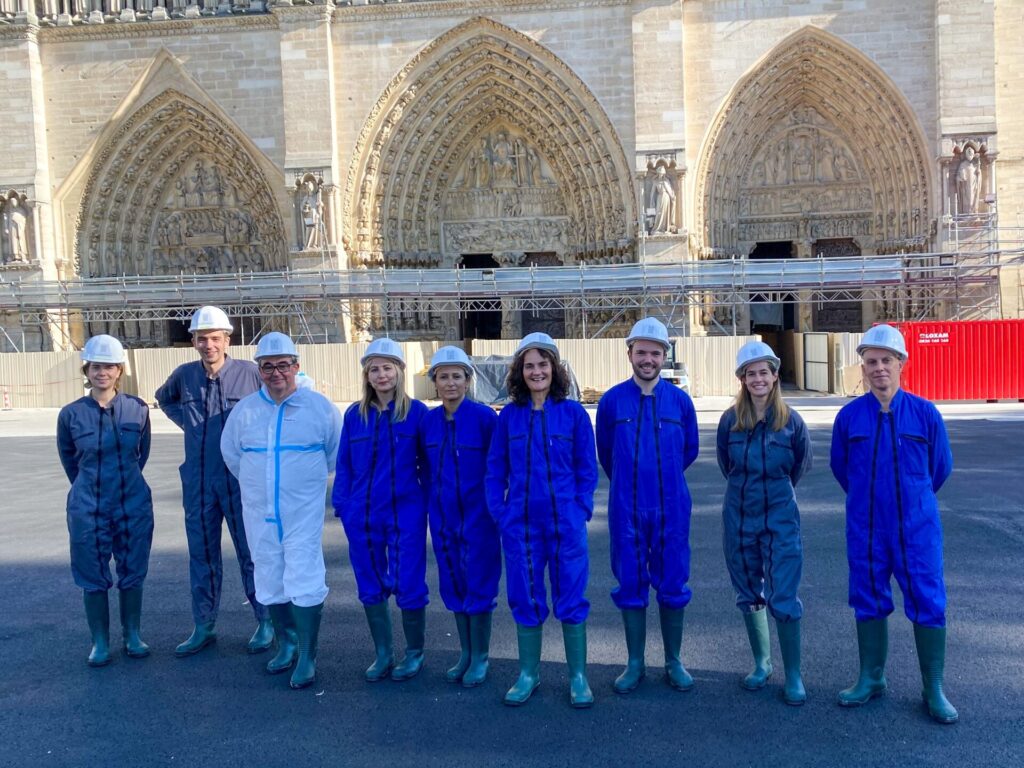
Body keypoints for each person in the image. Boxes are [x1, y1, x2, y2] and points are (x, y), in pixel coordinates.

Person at [831, 324, 957, 724]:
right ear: (863, 367)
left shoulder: (924, 413)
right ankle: (871, 678)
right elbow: (841, 469)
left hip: (917, 528)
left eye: (887, 360)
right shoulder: (849, 417)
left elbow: (940, 468)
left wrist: (913, 501)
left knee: (928, 600)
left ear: (901, 363)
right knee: (867, 598)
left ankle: (933, 687)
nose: (879, 368)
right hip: (867, 528)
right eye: (871, 362)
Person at [221, 333, 342, 689]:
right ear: (259, 370)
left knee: (304, 575)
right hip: (259, 512)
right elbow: (233, 456)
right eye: (268, 366)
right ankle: (286, 643)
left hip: (301, 512)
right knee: (269, 574)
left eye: (283, 365)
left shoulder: (319, 409)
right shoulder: (246, 411)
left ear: (296, 367)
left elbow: (335, 455)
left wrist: (301, 484)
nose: (276, 373)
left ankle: (307, 654)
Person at [485, 333, 599, 708]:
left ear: (555, 368)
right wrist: (501, 514)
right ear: (520, 372)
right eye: (529, 366)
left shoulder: (574, 414)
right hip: (521, 525)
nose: (537, 372)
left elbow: (587, 468)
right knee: (525, 595)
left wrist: (580, 508)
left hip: (566, 523)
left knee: (571, 595)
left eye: (543, 364)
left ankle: (578, 677)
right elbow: (495, 470)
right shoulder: (509, 417)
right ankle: (528, 674)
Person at [155, 306, 272, 657]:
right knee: (202, 555)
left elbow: (272, 405)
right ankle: (203, 624)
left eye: (215, 339)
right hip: (199, 478)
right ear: (193, 341)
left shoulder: (250, 374)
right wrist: (190, 426)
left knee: (251, 551)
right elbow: (164, 399)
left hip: (239, 479)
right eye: (202, 339)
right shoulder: (184, 375)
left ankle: (265, 620)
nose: (209, 345)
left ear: (227, 339)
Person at [596, 318, 699, 695]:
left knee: (673, 581)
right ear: (629, 354)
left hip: (672, 506)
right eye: (641, 352)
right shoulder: (611, 402)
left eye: (655, 353)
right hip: (627, 507)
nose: (648, 359)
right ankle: (635, 662)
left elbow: (689, 451)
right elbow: (606, 453)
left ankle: (673, 661)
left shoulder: (680, 401)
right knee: (630, 582)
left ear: (664, 357)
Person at [716, 341, 812, 706]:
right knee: (747, 589)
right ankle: (762, 663)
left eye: (764, 372)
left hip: (781, 517)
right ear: (742, 379)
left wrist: (775, 496)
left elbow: (799, 466)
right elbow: (728, 465)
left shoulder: (792, 422)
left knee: (784, 593)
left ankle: (794, 676)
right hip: (739, 515)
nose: (758, 379)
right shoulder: (730, 421)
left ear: (775, 376)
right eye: (750, 373)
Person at [333, 338, 430, 682]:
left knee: (409, 582)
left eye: (387, 367)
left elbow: (429, 465)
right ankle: (383, 653)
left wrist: (427, 505)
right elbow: (344, 463)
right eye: (374, 369)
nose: (381, 374)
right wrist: (343, 505)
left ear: (400, 371)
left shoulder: (417, 414)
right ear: (367, 375)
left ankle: (414, 653)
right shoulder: (354, 415)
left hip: (406, 512)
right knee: (370, 583)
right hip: (362, 513)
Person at [57, 335, 153, 667]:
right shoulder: (71, 415)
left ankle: (132, 636)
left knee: (133, 569)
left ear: (119, 370)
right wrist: (91, 488)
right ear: (87, 369)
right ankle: (99, 642)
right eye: (97, 366)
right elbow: (70, 460)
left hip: (132, 502)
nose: (103, 372)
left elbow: (141, 456)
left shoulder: (137, 409)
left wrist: (123, 484)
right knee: (91, 572)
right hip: (88, 505)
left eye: (109, 366)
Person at [420, 346, 500, 687]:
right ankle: (465, 653)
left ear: (468, 380)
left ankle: (481, 656)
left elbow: (498, 467)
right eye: (443, 377)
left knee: (479, 583)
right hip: (443, 516)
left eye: (457, 376)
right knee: (453, 581)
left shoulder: (484, 419)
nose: (450, 383)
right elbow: (422, 467)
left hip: (479, 516)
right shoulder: (428, 421)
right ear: (434, 382)